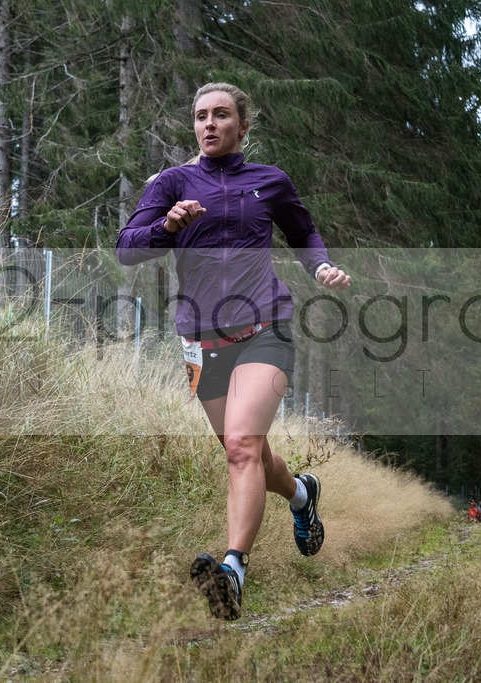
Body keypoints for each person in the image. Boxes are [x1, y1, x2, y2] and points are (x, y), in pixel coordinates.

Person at [115, 82, 350, 620]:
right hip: (200, 340)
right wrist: (167, 224)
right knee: (250, 454)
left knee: (242, 445)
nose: (209, 124)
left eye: (221, 115)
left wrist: (320, 266)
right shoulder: (172, 182)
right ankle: (300, 495)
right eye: (201, 116)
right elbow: (127, 248)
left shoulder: (269, 182)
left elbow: (303, 230)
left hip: (265, 325)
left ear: (243, 125)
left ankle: (233, 571)